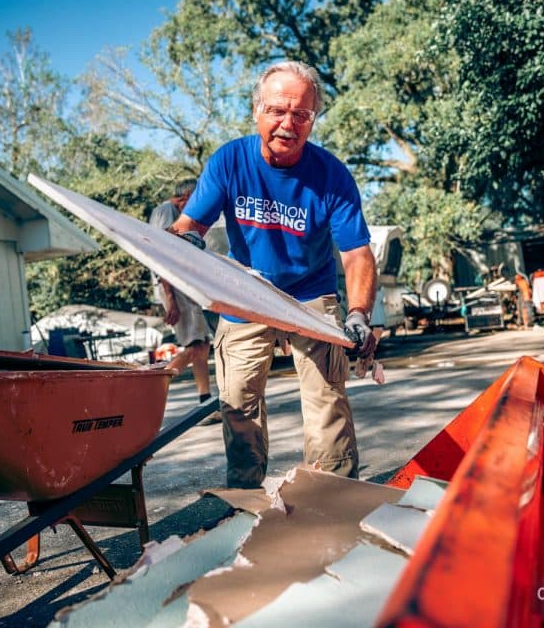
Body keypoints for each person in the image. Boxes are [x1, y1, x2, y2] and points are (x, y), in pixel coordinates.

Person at [169, 60, 378, 488]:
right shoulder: (230, 161)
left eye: (301, 114)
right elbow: (188, 228)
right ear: (256, 111)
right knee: (238, 403)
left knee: (326, 402)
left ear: (313, 119)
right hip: (246, 292)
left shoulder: (331, 175)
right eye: (277, 111)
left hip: (311, 294)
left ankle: (331, 495)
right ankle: (246, 498)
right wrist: (186, 245)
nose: (288, 124)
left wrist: (358, 313)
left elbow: (356, 252)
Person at [149, 180, 218, 421]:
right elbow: (160, 255)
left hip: (183, 287)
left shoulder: (172, 213)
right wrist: (170, 298)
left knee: (201, 345)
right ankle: (150, 390)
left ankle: (205, 401)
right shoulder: (166, 212)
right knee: (195, 347)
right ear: (187, 195)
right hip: (174, 287)